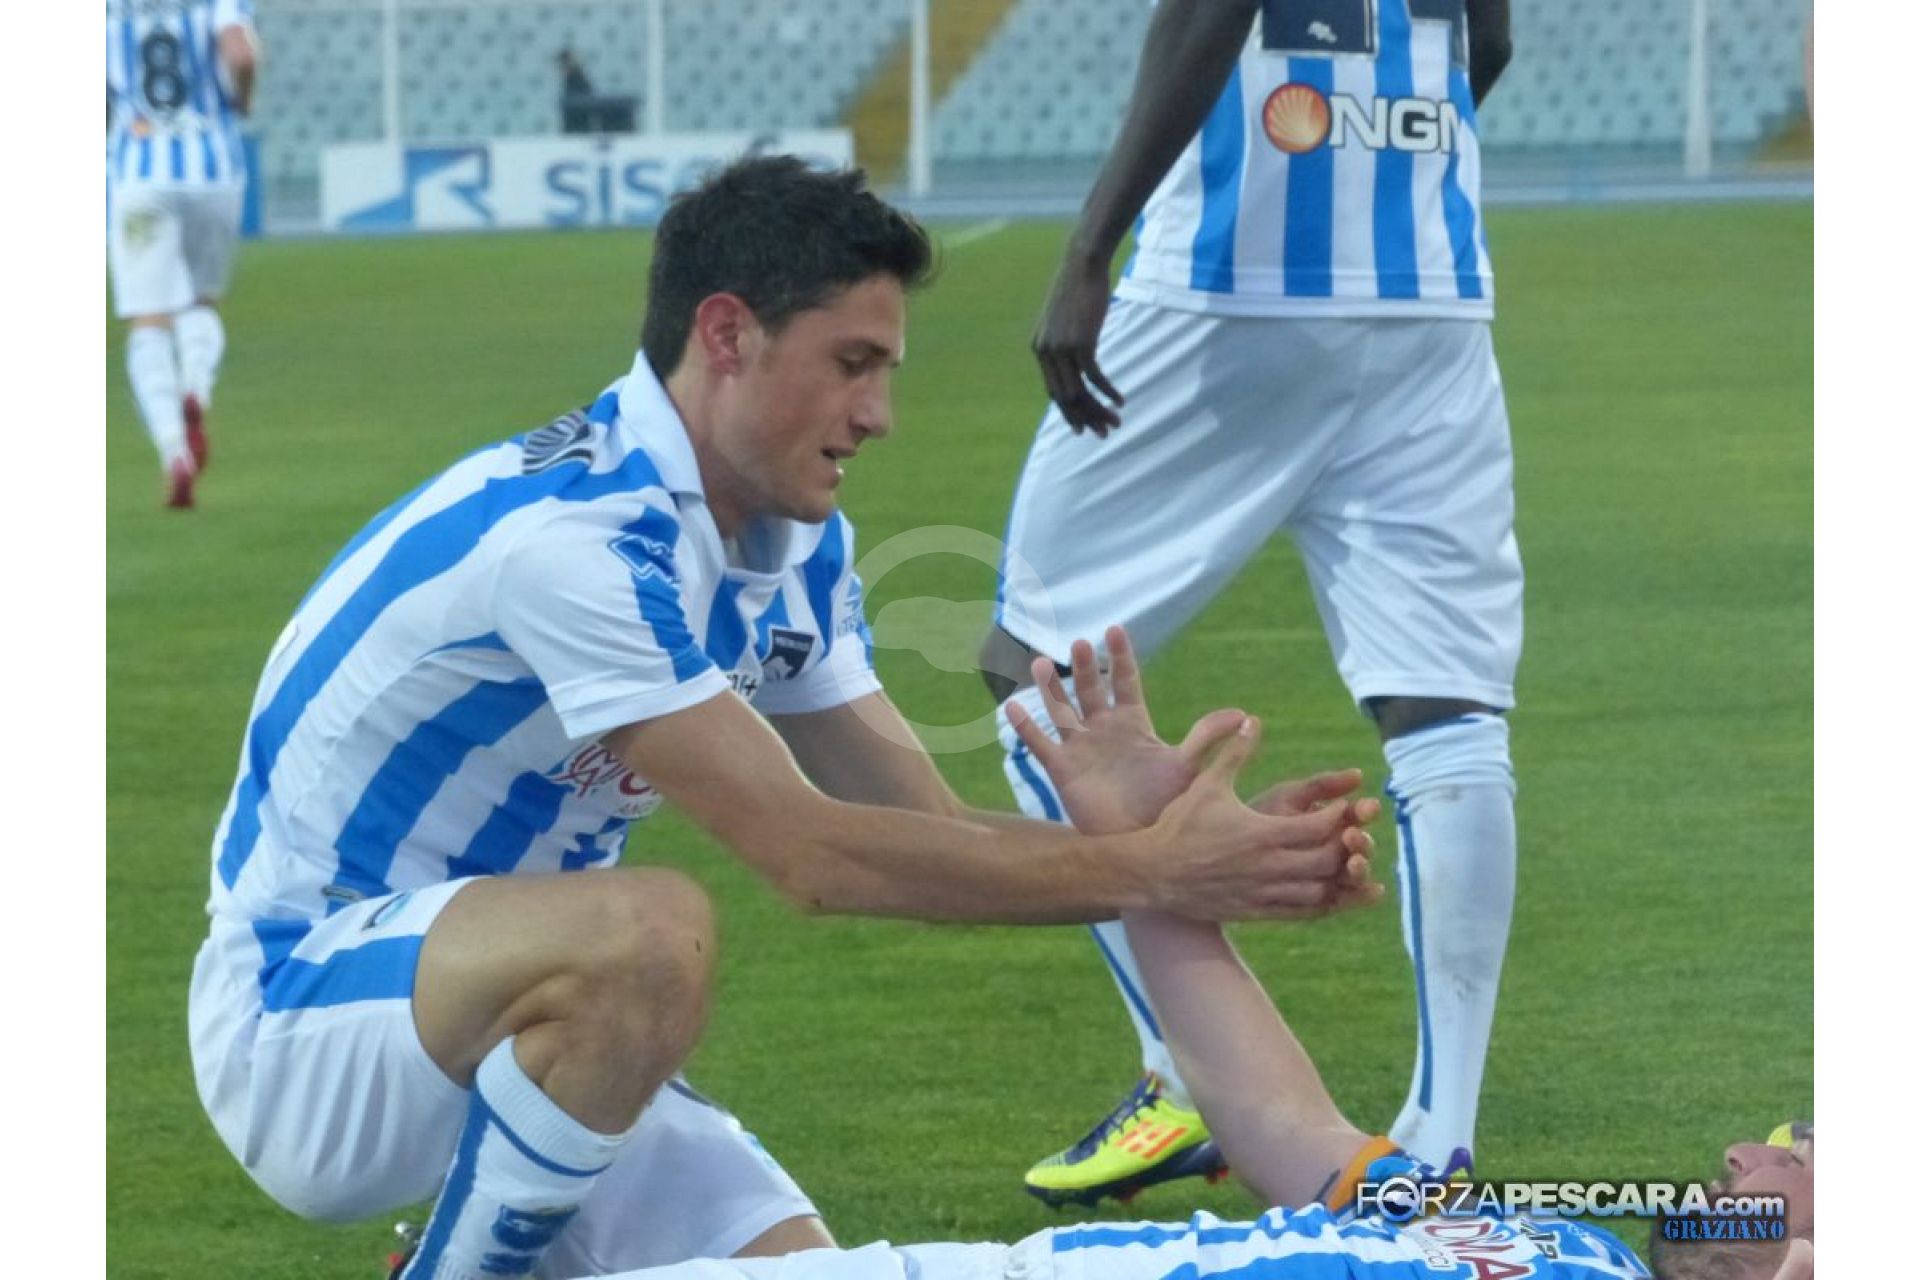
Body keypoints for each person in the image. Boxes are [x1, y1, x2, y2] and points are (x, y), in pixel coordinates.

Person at [187, 157, 1381, 1280]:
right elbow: (813, 856)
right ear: (727, 335)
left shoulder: (794, 545)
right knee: (653, 929)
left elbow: (920, 825)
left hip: (549, 1026)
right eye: (853, 362)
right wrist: (1159, 870)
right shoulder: (575, 542)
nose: (880, 413)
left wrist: (1150, 844)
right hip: (309, 1016)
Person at [568, 642, 1815, 1280]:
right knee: (578, 1097)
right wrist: (1149, 863)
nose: (1743, 1156)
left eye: (1799, 1160)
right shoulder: (1564, 1241)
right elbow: (1290, 1127)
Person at [977, 0, 1525, 1203]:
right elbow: (1487, 39)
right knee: (1448, 707)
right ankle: (1441, 1138)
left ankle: (1188, 1067)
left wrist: (1088, 249)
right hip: (1431, 285)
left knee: (1032, 666)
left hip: (1232, 282)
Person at [107, 0, 258, 509]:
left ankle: (174, 451)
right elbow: (240, 54)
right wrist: (242, 100)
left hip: (139, 173)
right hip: (213, 170)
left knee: (148, 321)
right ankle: (196, 385)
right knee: (200, 300)